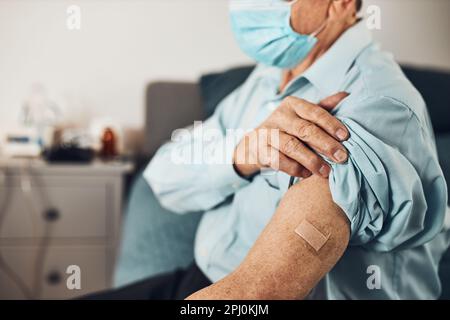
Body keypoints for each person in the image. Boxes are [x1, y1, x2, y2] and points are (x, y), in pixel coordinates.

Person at [88, 0, 448, 299]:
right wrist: (242, 154)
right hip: (199, 277)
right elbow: (165, 175)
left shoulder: (374, 101)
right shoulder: (268, 76)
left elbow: (258, 292)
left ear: (340, 4)